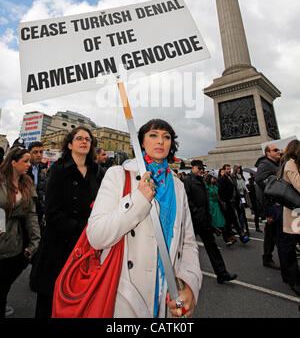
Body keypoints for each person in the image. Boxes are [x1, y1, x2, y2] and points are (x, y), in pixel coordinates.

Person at [87, 119, 202, 318]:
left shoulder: (178, 186)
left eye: (166, 137)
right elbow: (96, 236)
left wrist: (189, 285)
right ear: (141, 142)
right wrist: (138, 201)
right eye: (153, 135)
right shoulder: (118, 175)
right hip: (126, 296)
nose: (160, 141)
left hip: (169, 296)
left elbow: (188, 242)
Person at [30, 126, 99, 318]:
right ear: (69, 144)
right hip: (58, 244)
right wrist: (79, 230)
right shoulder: (59, 170)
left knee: (77, 302)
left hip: (85, 246)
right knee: (49, 301)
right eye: (79, 138)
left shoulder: (96, 171)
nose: (84, 141)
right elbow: (51, 211)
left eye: (88, 139)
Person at [0, 147, 40, 318]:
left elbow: (31, 215)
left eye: (29, 161)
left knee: (4, 284)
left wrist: (34, 243)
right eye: (25, 161)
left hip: (15, 243)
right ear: (13, 162)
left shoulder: (27, 183)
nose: (29, 165)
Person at [184, 160, 237, 284]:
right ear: (193, 167)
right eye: (199, 168)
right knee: (185, 247)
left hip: (205, 220)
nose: (201, 170)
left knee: (212, 247)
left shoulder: (201, 180)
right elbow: (187, 199)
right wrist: (196, 212)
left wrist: (207, 216)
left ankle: (222, 273)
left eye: (202, 168)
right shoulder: (188, 180)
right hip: (193, 221)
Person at [277, 139, 300, 296]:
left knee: (288, 245)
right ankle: (292, 279)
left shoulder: (290, 163)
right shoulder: (290, 164)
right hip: (294, 213)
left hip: (294, 211)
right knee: (289, 246)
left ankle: (289, 276)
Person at [255, 145, 282, 269]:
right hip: (272, 205)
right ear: (267, 153)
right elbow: (260, 183)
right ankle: (288, 267)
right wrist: (267, 211)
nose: (278, 151)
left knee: (271, 234)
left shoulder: (276, 164)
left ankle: (267, 257)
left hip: (278, 204)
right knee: (279, 236)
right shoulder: (265, 165)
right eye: (275, 150)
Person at [217, 164, 249, 244]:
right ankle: (236, 237)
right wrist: (225, 202)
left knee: (233, 220)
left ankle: (238, 236)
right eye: (227, 169)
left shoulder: (231, 178)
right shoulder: (221, 179)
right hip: (227, 203)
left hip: (233, 202)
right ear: (224, 170)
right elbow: (221, 192)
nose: (229, 170)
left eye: (229, 169)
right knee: (231, 221)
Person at [27, 141, 48, 230]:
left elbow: (42, 191)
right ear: (29, 153)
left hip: (38, 210)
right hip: (25, 209)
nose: (39, 155)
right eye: (35, 152)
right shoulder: (25, 168)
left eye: (41, 152)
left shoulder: (42, 170)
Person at [205, 174, 226, 240]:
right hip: (211, 205)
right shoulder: (207, 187)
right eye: (213, 178)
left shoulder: (215, 186)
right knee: (212, 220)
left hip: (216, 204)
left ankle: (221, 232)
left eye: (215, 178)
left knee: (220, 220)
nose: (214, 180)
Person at [231, 165, 250, 237]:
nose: (239, 170)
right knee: (240, 214)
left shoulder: (241, 176)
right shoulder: (233, 177)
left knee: (243, 213)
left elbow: (244, 187)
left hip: (243, 196)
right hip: (237, 197)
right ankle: (243, 228)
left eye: (239, 169)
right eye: (238, 169)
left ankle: (245, 228)